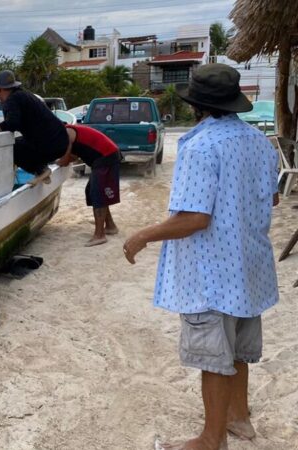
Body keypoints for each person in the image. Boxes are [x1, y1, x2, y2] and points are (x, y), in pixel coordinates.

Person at [123, 64, 280, 450]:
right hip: (249, 266)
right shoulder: (260, 143)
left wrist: (143, 235)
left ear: (196, 105)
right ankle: (239, 419)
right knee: (239, 349)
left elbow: (195, 217)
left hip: (213, 272)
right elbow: (272, 197)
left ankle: (211, 440)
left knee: (214, 355)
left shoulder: (199, 146)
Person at [0, 70, 68, 176]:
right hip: (61, 141)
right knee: (19, 141)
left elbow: (11, 124)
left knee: (9, 148)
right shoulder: (24, 95)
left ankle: (40, 169)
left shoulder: (12, 100)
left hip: (50, 145)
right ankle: (42, 165)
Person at [56, 124, 121, 246]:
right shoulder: (69, 133)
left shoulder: (67, 132)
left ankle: (100, 235)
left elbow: (65, 160)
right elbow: (74, 156)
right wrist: (61, 161)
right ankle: (110, 226)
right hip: (104, 157)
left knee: (97, 194)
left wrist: (59, 161)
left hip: (106, 157)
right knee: (92, 190)